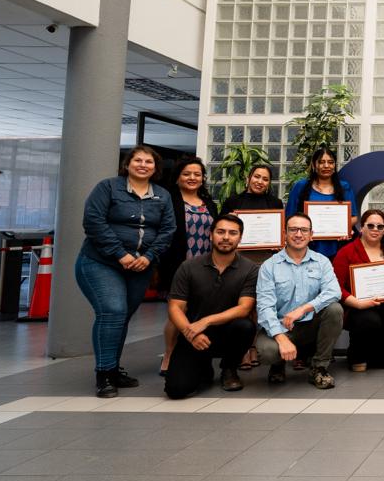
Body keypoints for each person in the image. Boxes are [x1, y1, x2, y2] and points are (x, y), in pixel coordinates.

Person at [75, 145, 175, 397]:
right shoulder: (108, 188)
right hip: (101, 262)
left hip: (141, 265)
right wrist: (121, 254)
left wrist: (149, 256)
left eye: (149, 162)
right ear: (127, 164)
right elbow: (93, 221)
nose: (143, 165)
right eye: (138, 160)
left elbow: (167, 230)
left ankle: (114, 367)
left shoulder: (162, 195)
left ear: (156, 167)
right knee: (112, 312)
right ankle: (104, 374)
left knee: (122, 317)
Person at [163, 214, 258, 399]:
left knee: (245, 326)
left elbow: (244, 308)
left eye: (232, 233)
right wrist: (191, 333)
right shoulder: (189, 267)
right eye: (220, 232)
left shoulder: (250, 269)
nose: (226, 237)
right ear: (211, 234)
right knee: (176, 390)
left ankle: (229, 368)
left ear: (240, 237)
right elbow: (175, 307)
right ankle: (203, 366)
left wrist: (206, 321)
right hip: (194, 334)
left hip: (229, 333)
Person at [254, 213, 344, 389]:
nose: (298, 234)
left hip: (310, 324)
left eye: (304, 230)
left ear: (311, 235)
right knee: (267, 352)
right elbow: (264, 307)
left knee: (335, 309)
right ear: (284, 234)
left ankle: (319, 368)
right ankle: (277, 364)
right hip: (281, 326)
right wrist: (281, 338)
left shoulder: (322, 262)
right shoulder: (269, 266)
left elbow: (334, 292)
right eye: (293, 229)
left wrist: (303, 309)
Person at [158, 157, 220, 375]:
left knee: (200, 310)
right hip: (179, 265)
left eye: (197, 174)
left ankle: (197, 354)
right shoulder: (169, 201)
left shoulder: (209, 204)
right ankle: (169, 355)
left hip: (205, 266)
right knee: (178, 311)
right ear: (177, 178)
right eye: (187, 174)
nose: (192, 178)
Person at [332, 209, 384, 372]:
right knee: (368, 320)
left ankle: (374, 352)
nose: (375, 229)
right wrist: (357, 303)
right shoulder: (346, 252)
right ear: (362, 228)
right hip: (358, 309)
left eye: (380, 226)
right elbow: (335, 286)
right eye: (371, 225)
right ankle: (356, 355)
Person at [221, 163, 284, 370]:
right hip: (238, 260)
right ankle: (242, 350)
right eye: (257, 177)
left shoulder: (275, 202)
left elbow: (279, 232)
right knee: (240, 303)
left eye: (265, 179)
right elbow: (223, 229)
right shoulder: (234, 201)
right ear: (248, 178)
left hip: (265, 260)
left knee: (261, 304)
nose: (260, 182)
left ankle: (255, 346)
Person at [285, 147, 357, 260]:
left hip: (337, 246)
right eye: (321, 162)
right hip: (305, 246)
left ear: (334, 165)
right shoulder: (300, 186)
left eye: (330, 162)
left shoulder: (344, 187)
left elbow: (353, 217)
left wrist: (344, 228)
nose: (326, 166)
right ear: (314, 165)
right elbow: (289, 216)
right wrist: (304, 231)